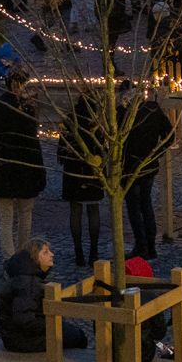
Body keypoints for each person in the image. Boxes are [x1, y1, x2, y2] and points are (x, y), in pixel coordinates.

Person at [0, 70, 45, 257]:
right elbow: (33, 143)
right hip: (24, 168)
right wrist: (40, 170)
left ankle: (9, 258)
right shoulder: (26, 108)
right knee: (24, 214)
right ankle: (22, 255)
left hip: (3, 167)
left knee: (6, 217)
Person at [0, 238, 87, 352]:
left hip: (18, 336)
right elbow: (24, 320)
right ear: (34, 258)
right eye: (45, 252)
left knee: (73, 334)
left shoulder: (26, 277)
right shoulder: (28, 283)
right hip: (23, 340)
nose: (52, 254)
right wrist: (53, 324)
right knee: (79, 337)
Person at [123, 83, 173, 261]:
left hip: (130, 168)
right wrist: (157, 152)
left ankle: (142, 245)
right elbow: (170, 135)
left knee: (135, 207)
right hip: (149, 165)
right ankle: (150, 246)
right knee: (146, 205)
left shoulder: (126, 114)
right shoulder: (154, 110)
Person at [58, 86, 104, 265]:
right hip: (93, 171)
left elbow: (61, 152)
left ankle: (78, 251)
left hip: (73, 172)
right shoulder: (97, 123)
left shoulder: (70, 120)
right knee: (93, 210)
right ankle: (94, 251)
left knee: (75, 211)